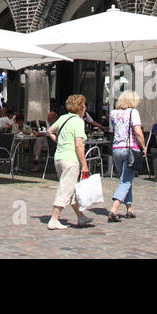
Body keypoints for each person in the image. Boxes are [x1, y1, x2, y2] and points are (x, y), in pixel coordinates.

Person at [47, 93, 92, 230]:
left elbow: (50, 131)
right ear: (80, 107)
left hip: (59, 157)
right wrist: (84, 165)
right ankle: (54, 219)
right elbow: (79, 145)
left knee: (70, 188)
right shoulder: (78, 121)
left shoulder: (63, 118)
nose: (85, 108)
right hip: (70, 159)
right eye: (84, 105)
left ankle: (81, 216)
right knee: (66, 189)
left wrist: (59, 141)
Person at [108, 90, 146, 222]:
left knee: (124, 179)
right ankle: (114, 208)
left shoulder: (113, 113)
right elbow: (137, 131)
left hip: (116, 149)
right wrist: (144, 147)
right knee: (126, 180)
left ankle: (129, 208)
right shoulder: (133, 112)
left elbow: (114, 130)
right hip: (130, 149)